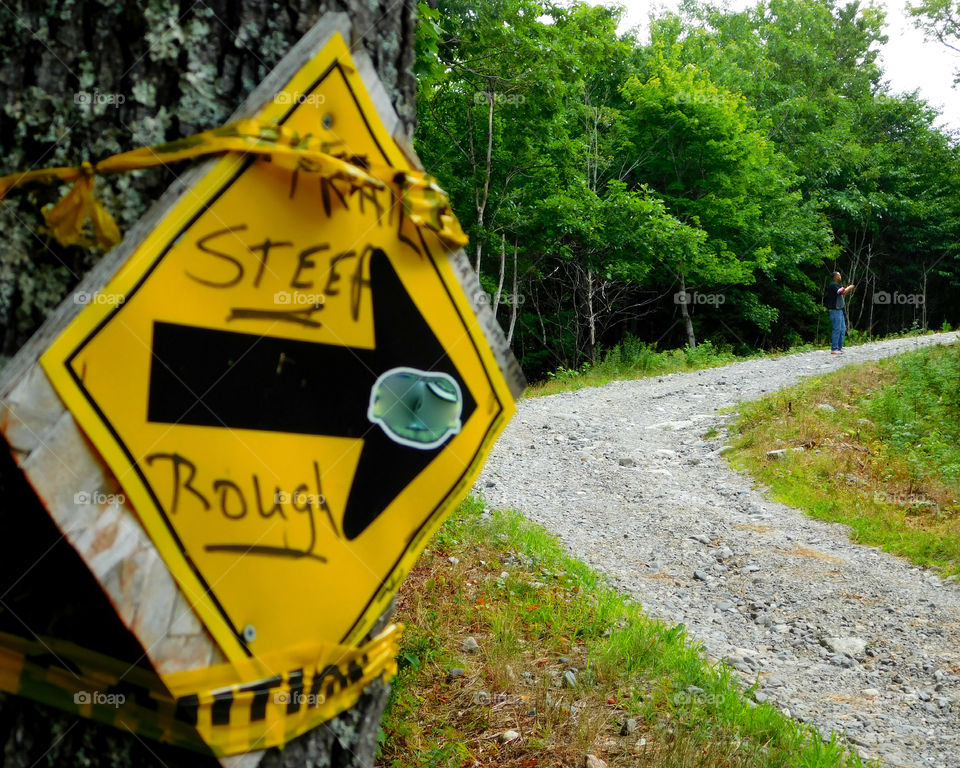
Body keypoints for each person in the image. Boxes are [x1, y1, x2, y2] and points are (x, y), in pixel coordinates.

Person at [824, 271, 855, 354]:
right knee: (837, 329)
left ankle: (839, 348)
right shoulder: (833, 285)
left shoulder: (837, 285)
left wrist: (847, 288)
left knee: (842, 329)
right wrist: (850, 287)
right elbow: (842, 292)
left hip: (839, 310)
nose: (840, 276)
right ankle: (834, 349)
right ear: (835, 276)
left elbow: (842, 291)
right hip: (835, 310)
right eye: (839, 275)